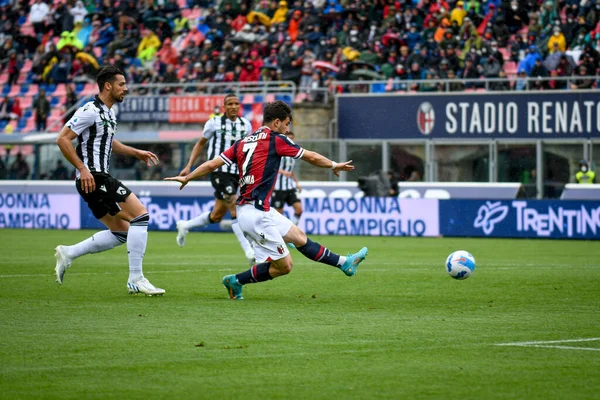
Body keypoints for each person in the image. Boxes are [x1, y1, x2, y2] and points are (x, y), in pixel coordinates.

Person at [165, 101, 368, 300]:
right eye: (287, 124)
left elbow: (212, 164)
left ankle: (344, 263)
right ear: (277, 122)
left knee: (298, 236)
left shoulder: (243, 142)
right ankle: (235, 280)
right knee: (285, 266)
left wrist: (188, 176)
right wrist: (334, 164)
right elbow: (311, 157)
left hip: (257, 210)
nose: (288, 129)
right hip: (255, 215)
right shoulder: (276, 139)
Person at [54, 66, 165, 296]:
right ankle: (136, 278)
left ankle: (69, 252)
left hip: (95, 179)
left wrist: (137, 152)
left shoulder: (109, 113)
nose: (125, 88)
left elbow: (109, 142)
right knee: (140, 216)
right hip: (93, 177)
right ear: (108, 85)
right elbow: (63, 139)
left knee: (123, 232)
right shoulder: (89, 110)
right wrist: (82, 168)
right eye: (121, 84)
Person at [175, 93, 256, 266]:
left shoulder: (246, 124)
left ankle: (185, 226)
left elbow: (247, 148)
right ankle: (249, 251)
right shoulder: (214, 123)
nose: (233, 106)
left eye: (236, 103)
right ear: (224, 106)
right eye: (230, 104)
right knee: (234, 205)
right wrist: (189, 166)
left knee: (217, 215)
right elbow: (200, 143)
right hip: (219, 170)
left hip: (238, 173)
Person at [271, 131, 303, 226]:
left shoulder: (293, 153)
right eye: (288, 138)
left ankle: (292, 229)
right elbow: (271, 167)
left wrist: (296, 183)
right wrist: (283, 172)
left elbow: (291, 170)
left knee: (299, 209)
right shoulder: (277, 151)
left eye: (292, 138)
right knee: (278, 214)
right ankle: (280, 234)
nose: (290, 140)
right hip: (278, 188)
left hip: (290, 186)